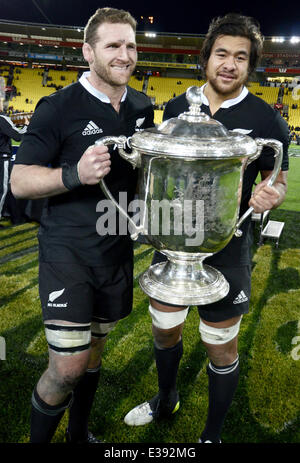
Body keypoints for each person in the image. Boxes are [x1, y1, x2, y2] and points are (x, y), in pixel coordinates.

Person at [124, 13, 289, 443]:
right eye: (222, 54)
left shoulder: (267, 119)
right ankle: (166, 399)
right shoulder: (179, 107)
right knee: (165, 328)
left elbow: (278, 180)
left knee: (220, 344)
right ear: (207, 58)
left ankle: (211, 436)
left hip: (228, 245)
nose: (229, 64)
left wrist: (270, 194)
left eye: (240, 57)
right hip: (175, 240)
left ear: (249, 66)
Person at [11, 7, 154, 444]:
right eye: (113, 45)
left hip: (115, 249)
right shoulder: (58, 106)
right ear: (88, 51)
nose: (124, 55)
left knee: (93, 354)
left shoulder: (142, 106)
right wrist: (73, 174)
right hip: (67, 251)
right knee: (67, 367)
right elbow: (19, 181)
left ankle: (78, 434)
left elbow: (143, 177)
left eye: (130, 45)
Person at [0, 98, 28, 223]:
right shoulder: (2, 118)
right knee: (3, 189)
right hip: (2, 157)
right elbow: (18, 136)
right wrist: (27, 125)